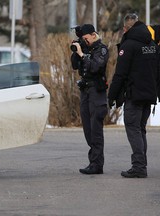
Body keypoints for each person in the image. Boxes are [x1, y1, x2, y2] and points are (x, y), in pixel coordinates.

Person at [108, 13, 160, 178]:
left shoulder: (128, 45)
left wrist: (111, 96)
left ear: (125, 28)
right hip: (149, 94)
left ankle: (139, 167)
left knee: (133, 129)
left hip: (134, 95)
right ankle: (141, 164)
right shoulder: (152, 44)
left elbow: (120, 74)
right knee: (140, 130)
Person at [71, 24, 109, 174]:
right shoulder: (85, 48)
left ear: (93, 35)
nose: (84, 41)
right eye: (82, 39)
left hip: (96, 92)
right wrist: (76, 51)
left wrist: (82, 54)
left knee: (95, 129)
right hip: (85, 91)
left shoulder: (102, 49)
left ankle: (97, 164)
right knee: (88, 128)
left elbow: (95, 67)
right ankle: (93, 161)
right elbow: (75, 66)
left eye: (85, 39)